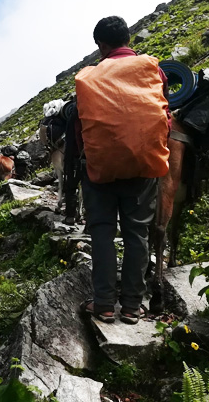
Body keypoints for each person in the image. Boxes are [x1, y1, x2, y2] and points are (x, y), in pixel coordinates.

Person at [76, 16, 170, 325]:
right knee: (137, 233)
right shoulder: (151, 69)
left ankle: (103, 304)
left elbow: (80, 125)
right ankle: (132, 306)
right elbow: (163, 111)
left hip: (100, 169)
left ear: (101, 45)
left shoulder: (89, 77)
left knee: (102, 232)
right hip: (143, 166)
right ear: (128, 40)